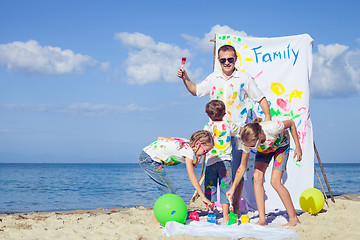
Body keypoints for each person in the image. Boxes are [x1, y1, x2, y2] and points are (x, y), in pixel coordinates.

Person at [177, 44, 271, 213]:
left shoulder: (244, 78)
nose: (227, 62)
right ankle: (215, 209)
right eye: (223, 60)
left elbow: (261, 98)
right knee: (215, 174)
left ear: (235, 59)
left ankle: (234, 210)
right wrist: (185, 78)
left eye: (230, 59)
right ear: (219, 60)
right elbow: (195, 90)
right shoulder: (213, 78)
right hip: (216, 137)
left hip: (239, 134)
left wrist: (267, 119)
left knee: (237, 174)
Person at [226, 118, 302, 226]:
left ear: (260, 137)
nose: (249, 148)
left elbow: (291, 123)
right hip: (265, 150)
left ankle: (293, 218)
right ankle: (262, 219)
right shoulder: (248, 142)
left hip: (281, 147)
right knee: (257, 176)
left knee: (275, 182)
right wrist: (233, 188)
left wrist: (298, 147)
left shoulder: (272, 128)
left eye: (251, 146)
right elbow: (242, 167)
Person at [139, 130, 214, 225]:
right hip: (149, 160)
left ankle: (161, 217)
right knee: (169, 189)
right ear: (198, 144)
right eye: (205, 151)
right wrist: (202, 196)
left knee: (169, 189)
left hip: (148, 156)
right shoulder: (188, 151)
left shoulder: (185, 142)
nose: (205, 154)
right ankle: (154, 222)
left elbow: (160, 138)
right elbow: (191, 176)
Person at [203, 100, 241, 223]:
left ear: (208, 115)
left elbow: (203, 143)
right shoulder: (229, 124)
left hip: (211, 161)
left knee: (210, 188)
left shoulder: (207, 127)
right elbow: (240, 131)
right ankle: (225, 217)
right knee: (225, 188)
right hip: (225, 162)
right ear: (224, 113)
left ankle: (211, 214)